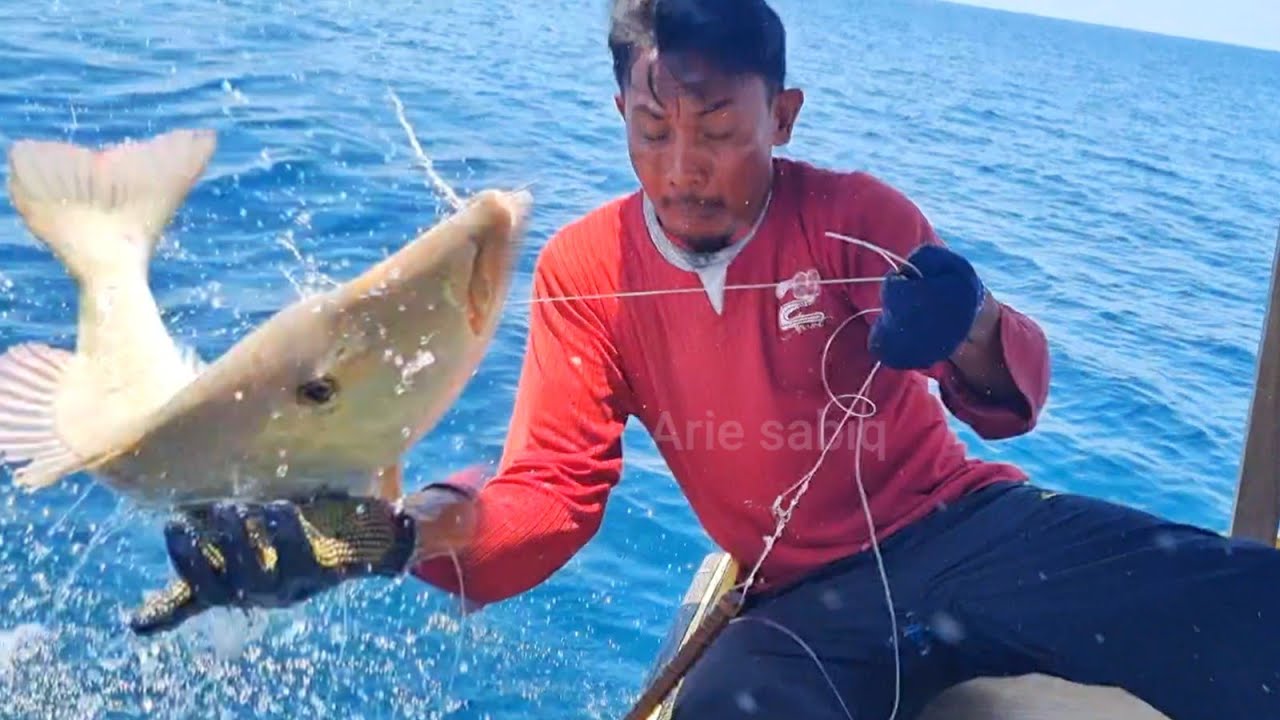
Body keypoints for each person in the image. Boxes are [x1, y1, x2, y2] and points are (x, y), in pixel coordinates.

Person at [130, 0, 1280, 717]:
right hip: (801, 601)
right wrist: (392, 533)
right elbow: (549, 490)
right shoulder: (586, 270)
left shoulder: (853, 214)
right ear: (620, 110)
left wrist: (965, 320)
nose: (682, 167)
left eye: (720, 129)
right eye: (651, 127)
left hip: (964, 530)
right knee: (734, 705)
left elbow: (1003, 388)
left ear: (781, 114)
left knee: (1232, 599)